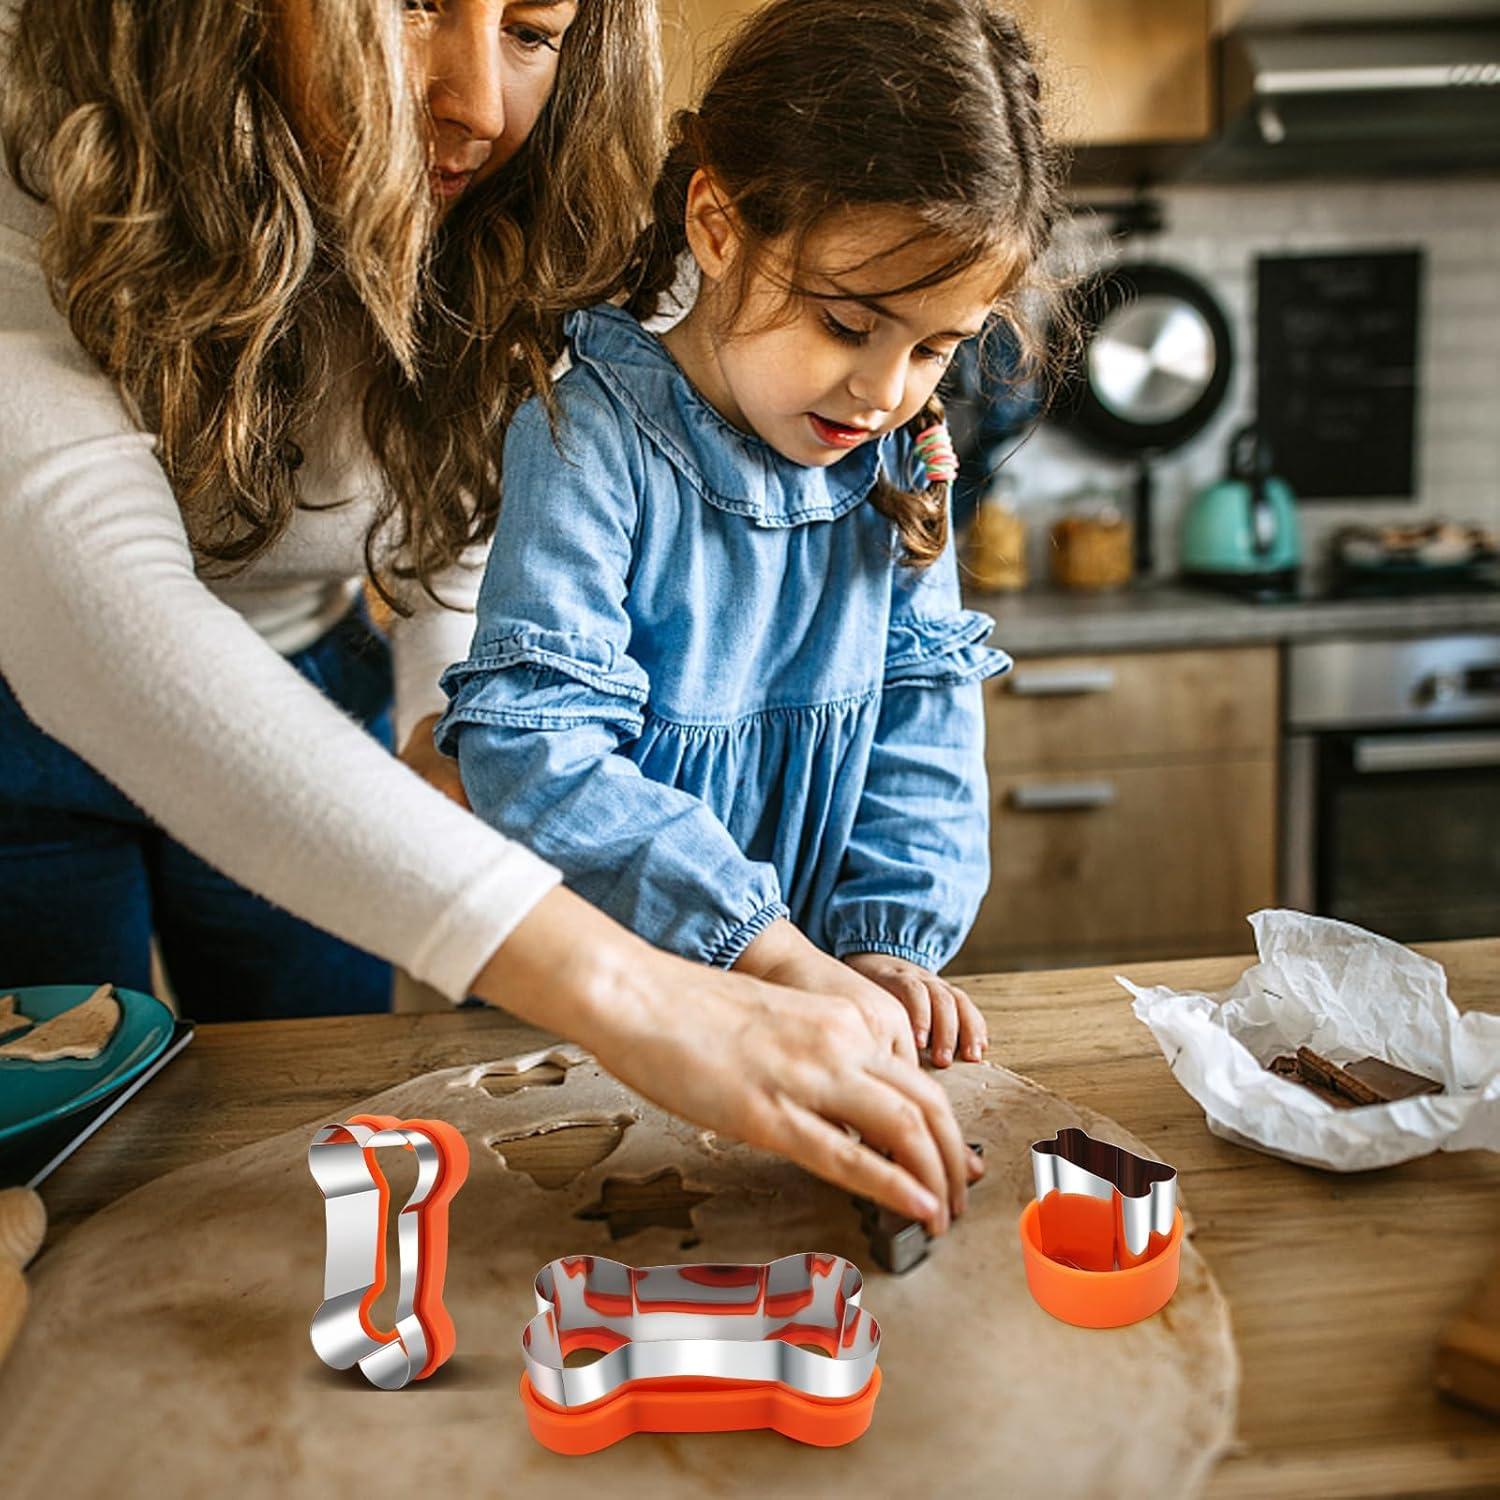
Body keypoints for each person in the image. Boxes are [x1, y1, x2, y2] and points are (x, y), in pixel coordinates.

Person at [0, 0, 980, 1234]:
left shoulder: (541, 209)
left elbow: (459, 512)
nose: (481, 103)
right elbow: (105, 625)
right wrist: (645, 997)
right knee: (66, 1179)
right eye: (414, 6)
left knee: (306, 1148)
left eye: (533, 28)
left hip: (312, 684)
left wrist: (442, 721)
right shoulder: (26, 131)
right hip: (21, 725)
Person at [435, 0, 1063, 1068]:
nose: (882, 390)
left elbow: (925, 730)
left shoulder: (900, 459)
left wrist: (885, 947)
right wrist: (759, 946)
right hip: (597, 1021)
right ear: (718, 227)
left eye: (934, 349)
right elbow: (535, 750)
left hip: (815, 1009)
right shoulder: (586, 434)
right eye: (848, 325)